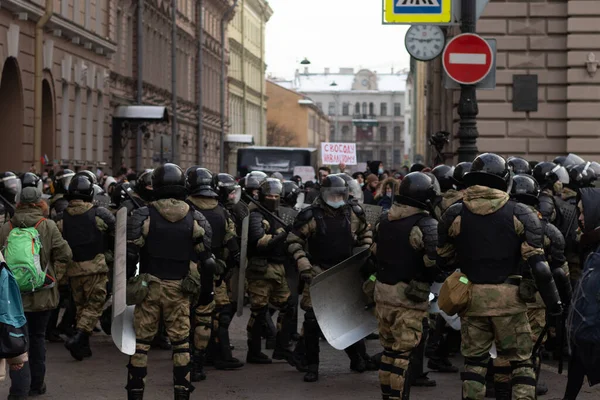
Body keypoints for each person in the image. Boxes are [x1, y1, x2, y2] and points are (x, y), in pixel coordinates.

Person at [437, 153, 562, 400]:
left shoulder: (454, 213)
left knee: (474, 364)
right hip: (510, 300)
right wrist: (554, 304)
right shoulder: (522, 213)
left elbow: (443, 259)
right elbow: (540, 267)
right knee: (522, 364)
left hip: (471, 299)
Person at [125, 163, 215, 400]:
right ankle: (182, 394)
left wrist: (125, 287)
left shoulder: (143, 215)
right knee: (181, 344)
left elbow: (129, 256)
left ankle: (135, 394)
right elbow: (208, 262)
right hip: (179, 289)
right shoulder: (195, 217)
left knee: (141, 344)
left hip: (148, 287)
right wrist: (206, 294)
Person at [286, 175, 374, 382]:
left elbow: (365, 235)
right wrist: (303, 264)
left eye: (340, 194)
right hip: (318, 272)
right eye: (332, 194)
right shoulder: (311, 216)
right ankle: (312, 365)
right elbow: (294, 242)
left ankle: (357, 358)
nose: (336, 198)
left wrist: (363, 254)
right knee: (311, 320)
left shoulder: (354, 213)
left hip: (345, 272)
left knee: (350, 316)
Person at [372, 172, 441, 400]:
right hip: (408, 299)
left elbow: (373, 254)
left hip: (383, 294)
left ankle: (386, 395)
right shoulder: (425, 224)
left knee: (388, 352)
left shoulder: (384, 220)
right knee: (403, 356)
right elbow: (434, 264)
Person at [0, 186, 72, 398]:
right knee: (38, 338)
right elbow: (65, 254)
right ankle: (37, 385)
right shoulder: (47, 225)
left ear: (18, 202)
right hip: (43, 294)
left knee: (16, 341)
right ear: (40, 203)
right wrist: (52, 275)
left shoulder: (6, 227)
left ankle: (19, 388)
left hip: (13, 298)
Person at [185, 167, 243, 381]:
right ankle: (203, 359)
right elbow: (232, 243)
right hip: (214, 273)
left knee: (188, 317)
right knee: (216, 314)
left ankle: (190, 360)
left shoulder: (184, 208)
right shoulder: (222, 211)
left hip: (186, 272)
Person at [56, 172, 115, 361]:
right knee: (94, 305)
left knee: (81, 306)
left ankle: (83, 346)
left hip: (73, 270)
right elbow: (115, 235)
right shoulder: (99, 214)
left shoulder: (61, 218)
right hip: (95, 268)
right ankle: (79, 337)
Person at [245, 178, 295, 365]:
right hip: (260, 269)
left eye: (276, 196)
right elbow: (259, 242)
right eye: (269, 196)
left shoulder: (278, 213)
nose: (273, 199)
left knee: (288, 306)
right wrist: (282, 234)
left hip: (278, 268)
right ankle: (254, 351)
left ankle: (281, 347)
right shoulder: (256, 215)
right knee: (259, 312)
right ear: (262, 196)